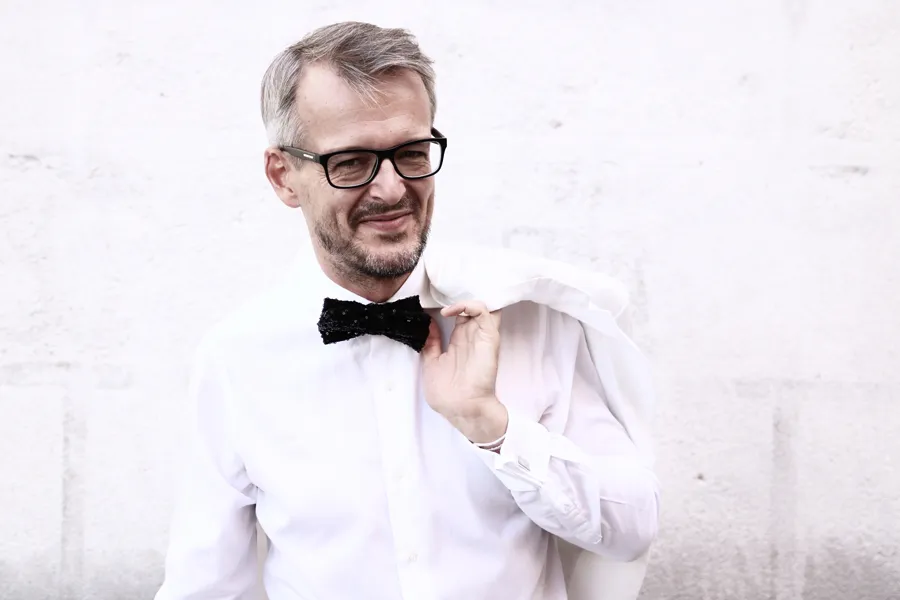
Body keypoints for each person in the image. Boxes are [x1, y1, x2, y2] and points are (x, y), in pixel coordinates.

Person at [155, 21, 660, 600]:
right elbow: (208, 583)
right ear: (283, 176)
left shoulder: (529, 319)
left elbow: (632, 529)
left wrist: (493, 427)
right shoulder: (236, 358)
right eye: (351, 162)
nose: (393, 190)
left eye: (412, 153)